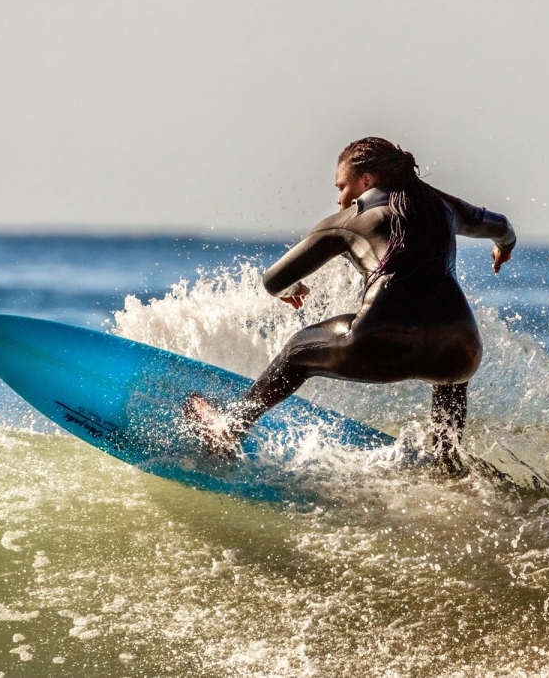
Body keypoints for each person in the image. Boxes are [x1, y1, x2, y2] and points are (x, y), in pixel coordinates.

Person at [185, 137, 516, 473]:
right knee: (450, 374)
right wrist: (504, 248)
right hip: (461, 350)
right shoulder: (444, 207)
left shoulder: (350, 221)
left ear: (366, 181)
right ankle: (448, 465)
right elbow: (502, 227)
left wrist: (292, 288)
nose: (339, 197)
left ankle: (230, 427)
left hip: (379, 343)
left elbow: (273, 280)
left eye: (341, 186)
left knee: (298, 351)